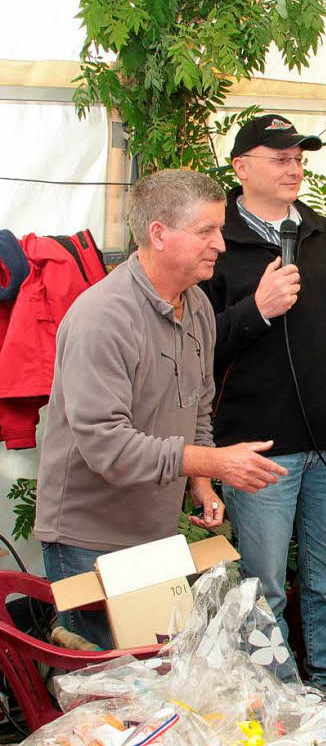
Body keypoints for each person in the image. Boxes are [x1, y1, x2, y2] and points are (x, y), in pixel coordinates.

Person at [34, 169, 287, 649]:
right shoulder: (102, 318)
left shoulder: (195, 309)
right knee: (107, 687)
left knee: (153, 677)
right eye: (206, 231)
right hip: (90, 538)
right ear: (159, 234)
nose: (222, 244)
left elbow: (197, 408)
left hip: (153, 532)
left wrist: (201, 482)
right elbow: (106, 446)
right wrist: (212, 462)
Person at [200, 115, 326, 694]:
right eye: (280, 157)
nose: (294, 167)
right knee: (262, 584)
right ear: (242, 168)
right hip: (257, 449)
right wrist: (256, 309)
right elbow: (193, 346)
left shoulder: (325, 236)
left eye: (299, 157)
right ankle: (277, 697)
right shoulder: (219, 243)